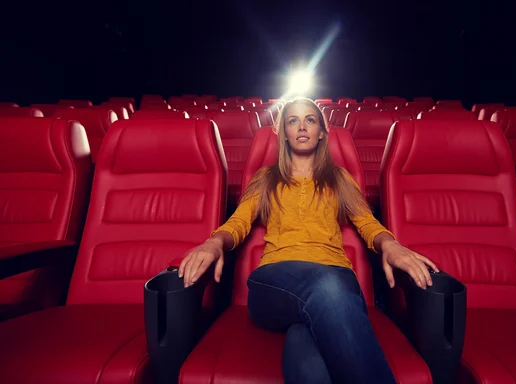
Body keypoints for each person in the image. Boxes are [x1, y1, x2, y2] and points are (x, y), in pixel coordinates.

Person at [178, 97, 439, 384]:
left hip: (337, 285)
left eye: (310, 120)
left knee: (307, 351)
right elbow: (238, 223)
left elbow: (366, 222)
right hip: (274, 284)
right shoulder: (266, 178)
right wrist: (215, 242)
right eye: (293, 121)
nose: (302, 127)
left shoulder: (339, 179)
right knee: (327, 287)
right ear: (284, 133)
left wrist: (390, 245)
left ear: (322, 132)